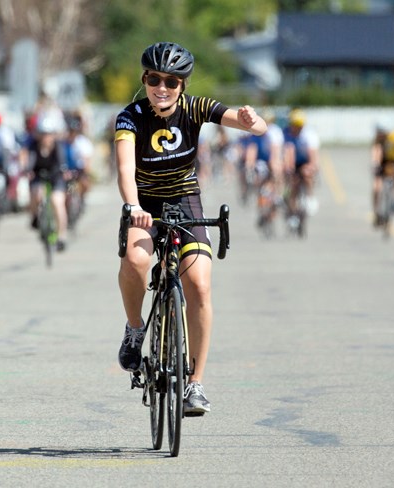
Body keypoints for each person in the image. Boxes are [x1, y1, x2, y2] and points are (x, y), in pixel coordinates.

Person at [115, 41, 267, 415]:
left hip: (185, 200)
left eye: (171, 80)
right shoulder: (129, 117)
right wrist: (133, 206)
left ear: (182, 85)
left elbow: (257, 128)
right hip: (145, 203)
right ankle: (135, 330)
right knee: (135, 259)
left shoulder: (197, 108)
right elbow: (123, 168)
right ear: (144, 79)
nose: (161, 87)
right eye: (154, 78)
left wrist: (251, 121)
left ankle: (195, 384)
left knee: (199, 283)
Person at [24, 115, 69, 252]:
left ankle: (61, 236)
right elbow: (30, 162)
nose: (46, 137)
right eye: (43, 134)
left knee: (57, 202)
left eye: (48, 134)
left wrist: (63, 171)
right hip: (39, 176)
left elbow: (62, 163)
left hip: (55, 177)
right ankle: (35, 216)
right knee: (36, 194)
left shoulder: (58, 147)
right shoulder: (33, 146)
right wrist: (28, 170)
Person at [282, 108, 320, 227]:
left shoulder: (309, 135)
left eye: (300, 125)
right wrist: (288, 169)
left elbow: (313, 157)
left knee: (307, 174)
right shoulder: (285, 134)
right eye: (295, 125)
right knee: (293, 185)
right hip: (292, 162)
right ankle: (292, 212)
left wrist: (311, 168)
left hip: (305, 161)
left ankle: (310, 196)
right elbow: (287, 153)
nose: (297, 128)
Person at [370, 120, 394, 226]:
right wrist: (374, 163)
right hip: (383, 163)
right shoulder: (377, 140)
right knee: (376, 187)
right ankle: (376, 211)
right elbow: (376, 152)